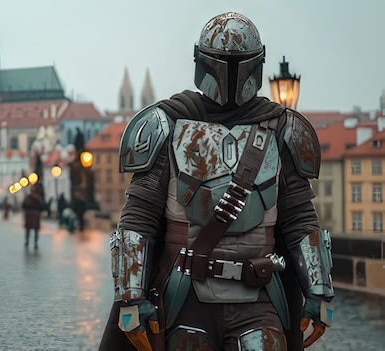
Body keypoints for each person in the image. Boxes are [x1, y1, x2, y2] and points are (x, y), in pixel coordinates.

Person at [99, 12, 334, 351]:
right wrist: (130, 297)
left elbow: (299, 218)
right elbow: (139, 219)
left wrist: (318, 289)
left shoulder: (281, 129)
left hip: (259, 297)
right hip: (185, 294)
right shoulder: (167, 125)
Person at [22, 184, 43, 249]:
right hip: (29, 214)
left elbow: (40, 206)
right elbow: (23, 205)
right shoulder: (28, 197)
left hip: (35, 214)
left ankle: (35, 242)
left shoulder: (38, 197)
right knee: (28, 229)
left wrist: (38, 212)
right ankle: (27, 241)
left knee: (36, 230)